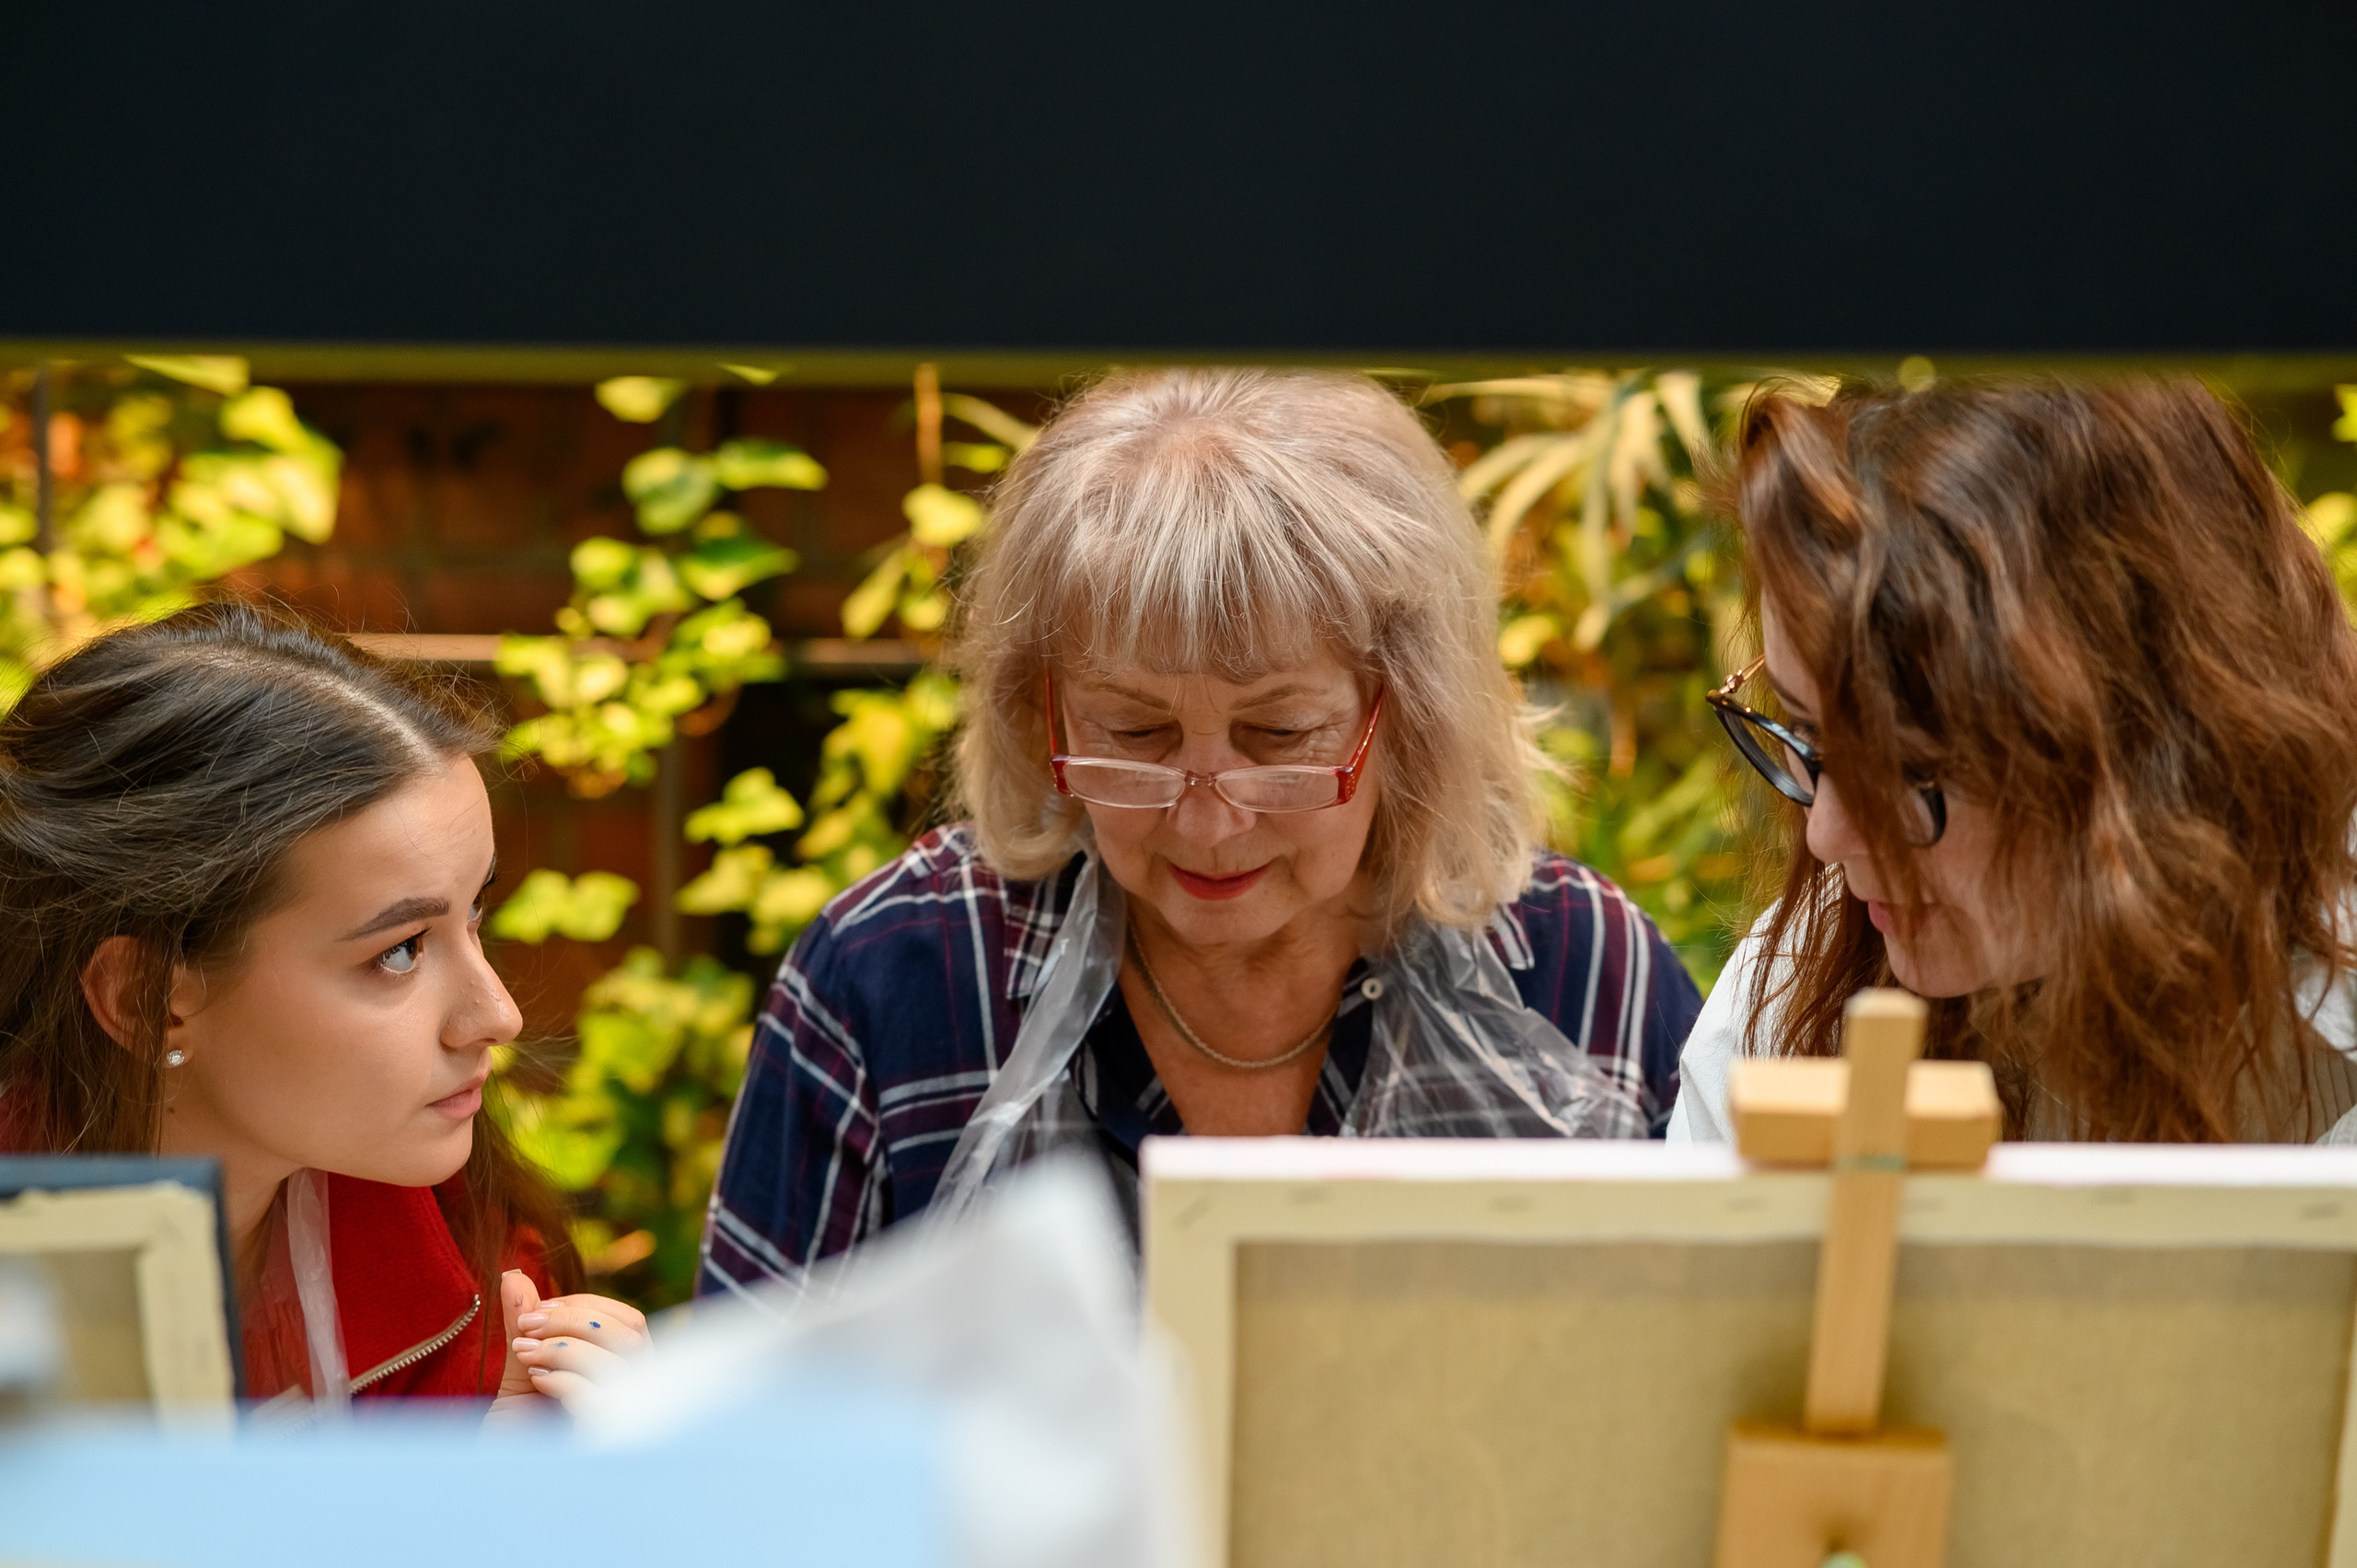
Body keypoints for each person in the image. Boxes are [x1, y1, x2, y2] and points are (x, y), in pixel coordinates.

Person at [702, 366, 1701, 1295]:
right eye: (1134, 733)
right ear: (1041, 709)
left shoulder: (1579, 975)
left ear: (1409, 712)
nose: (1208, 817)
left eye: (1280, 734)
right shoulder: (895, 975)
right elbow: (754, 1405)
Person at [1669, 376, 2357, 1144]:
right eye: (1803, 730)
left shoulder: (2335, 1013)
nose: (1827, 835)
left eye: (1910, 770)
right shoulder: (1793, 1001)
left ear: (2150, 736)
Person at [0, 603, 643, 1411]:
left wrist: (505, 1471)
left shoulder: (482, 1252)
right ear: (145, 998)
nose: (498, 1014)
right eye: (400, 949)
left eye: (475, 912)